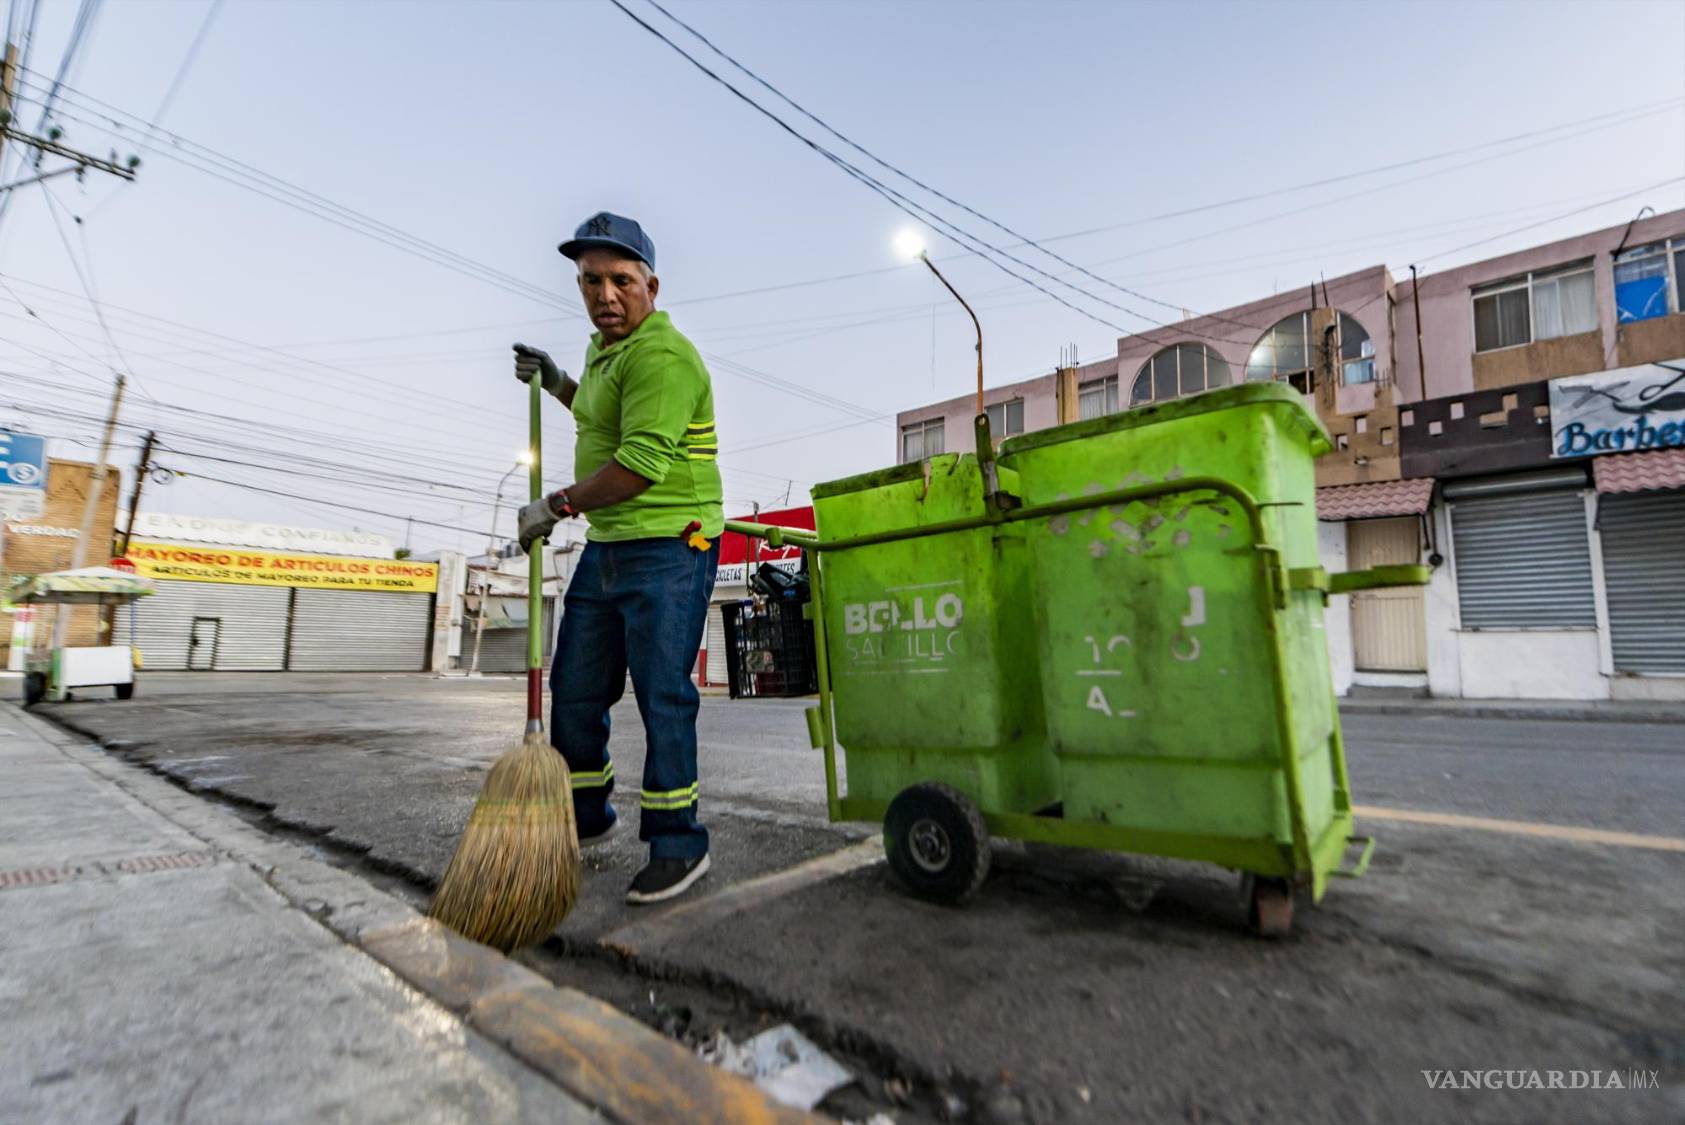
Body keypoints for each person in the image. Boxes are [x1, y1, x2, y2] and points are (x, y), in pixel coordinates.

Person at [514, 212, 723, 905]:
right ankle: (586, 811)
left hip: (670, 544)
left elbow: (637, 464)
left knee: (663, 694)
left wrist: (555, 505)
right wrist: (557, 382)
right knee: (574, 691)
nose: (605, 293)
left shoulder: (661, 356)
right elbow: (602, 420)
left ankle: (677, 843)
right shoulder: (606, 352)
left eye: (620, 280)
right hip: (609, 545)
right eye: (590, 280)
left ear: (651, 284)